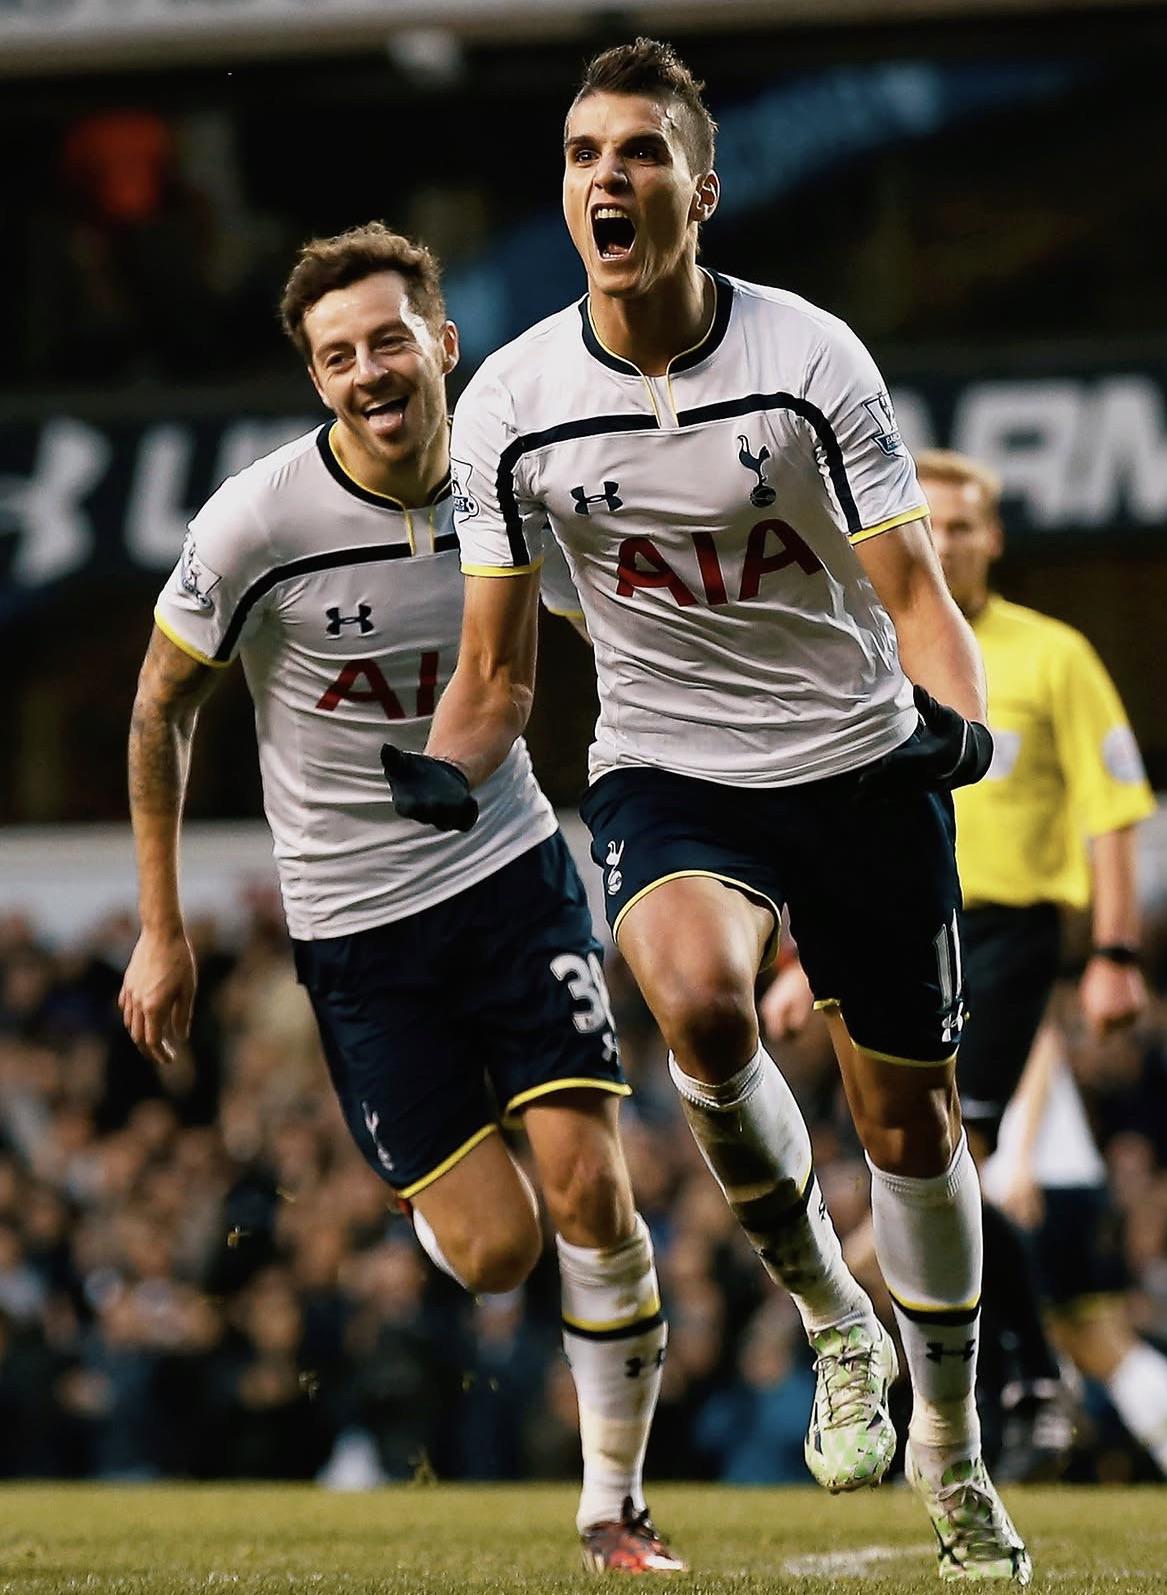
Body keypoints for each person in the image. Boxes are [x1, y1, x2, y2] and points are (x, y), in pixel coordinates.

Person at [384, 39, 1029, 1583]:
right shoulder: (512, 403)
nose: (606, 177)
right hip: (669, 768)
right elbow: (494, 671)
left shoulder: (811, 358)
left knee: (911, 1123)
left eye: (641, 153)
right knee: (696, 1002)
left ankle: (951, 1445)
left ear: (704, 189)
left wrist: (962, 722)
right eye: (581, 153)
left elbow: (914, 592)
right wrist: (442, 771)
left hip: (860, 761)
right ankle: (833, 1316)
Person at [117, 222, 682, 1574]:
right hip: (355, 926)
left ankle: (614, 1505)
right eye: (337, 356)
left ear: (443, 341)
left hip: (509, 874)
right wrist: (162, 924)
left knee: (592, 1187)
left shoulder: (515, 483)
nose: (367, 370)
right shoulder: (256, 521)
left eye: (387, 339)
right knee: (496, 1251)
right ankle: (432, 1193)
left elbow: (632, 627)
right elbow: (159, 708)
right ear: (315, 379)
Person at [764, 444, 1159, 1476]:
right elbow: (827, 816)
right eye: (928, 523)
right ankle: (1014, 1384)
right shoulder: (869, 644)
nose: (946, 541)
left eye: (966, 524)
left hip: (1007, 934)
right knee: (930, 1166)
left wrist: (1115, 951)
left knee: (954, 1156)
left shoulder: (1057, 656)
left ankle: (1025, 1381)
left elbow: (1113, 812)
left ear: (995, 537)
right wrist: (800, 957)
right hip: (891, 920)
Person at [983, 1020, 1167, 1495]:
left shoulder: (960, 987)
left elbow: (1040, 1039)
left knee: (1068, 1343)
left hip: (1036, 1189)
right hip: (1060, 1186)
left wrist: (1018, 1157)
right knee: (1085, 1342)